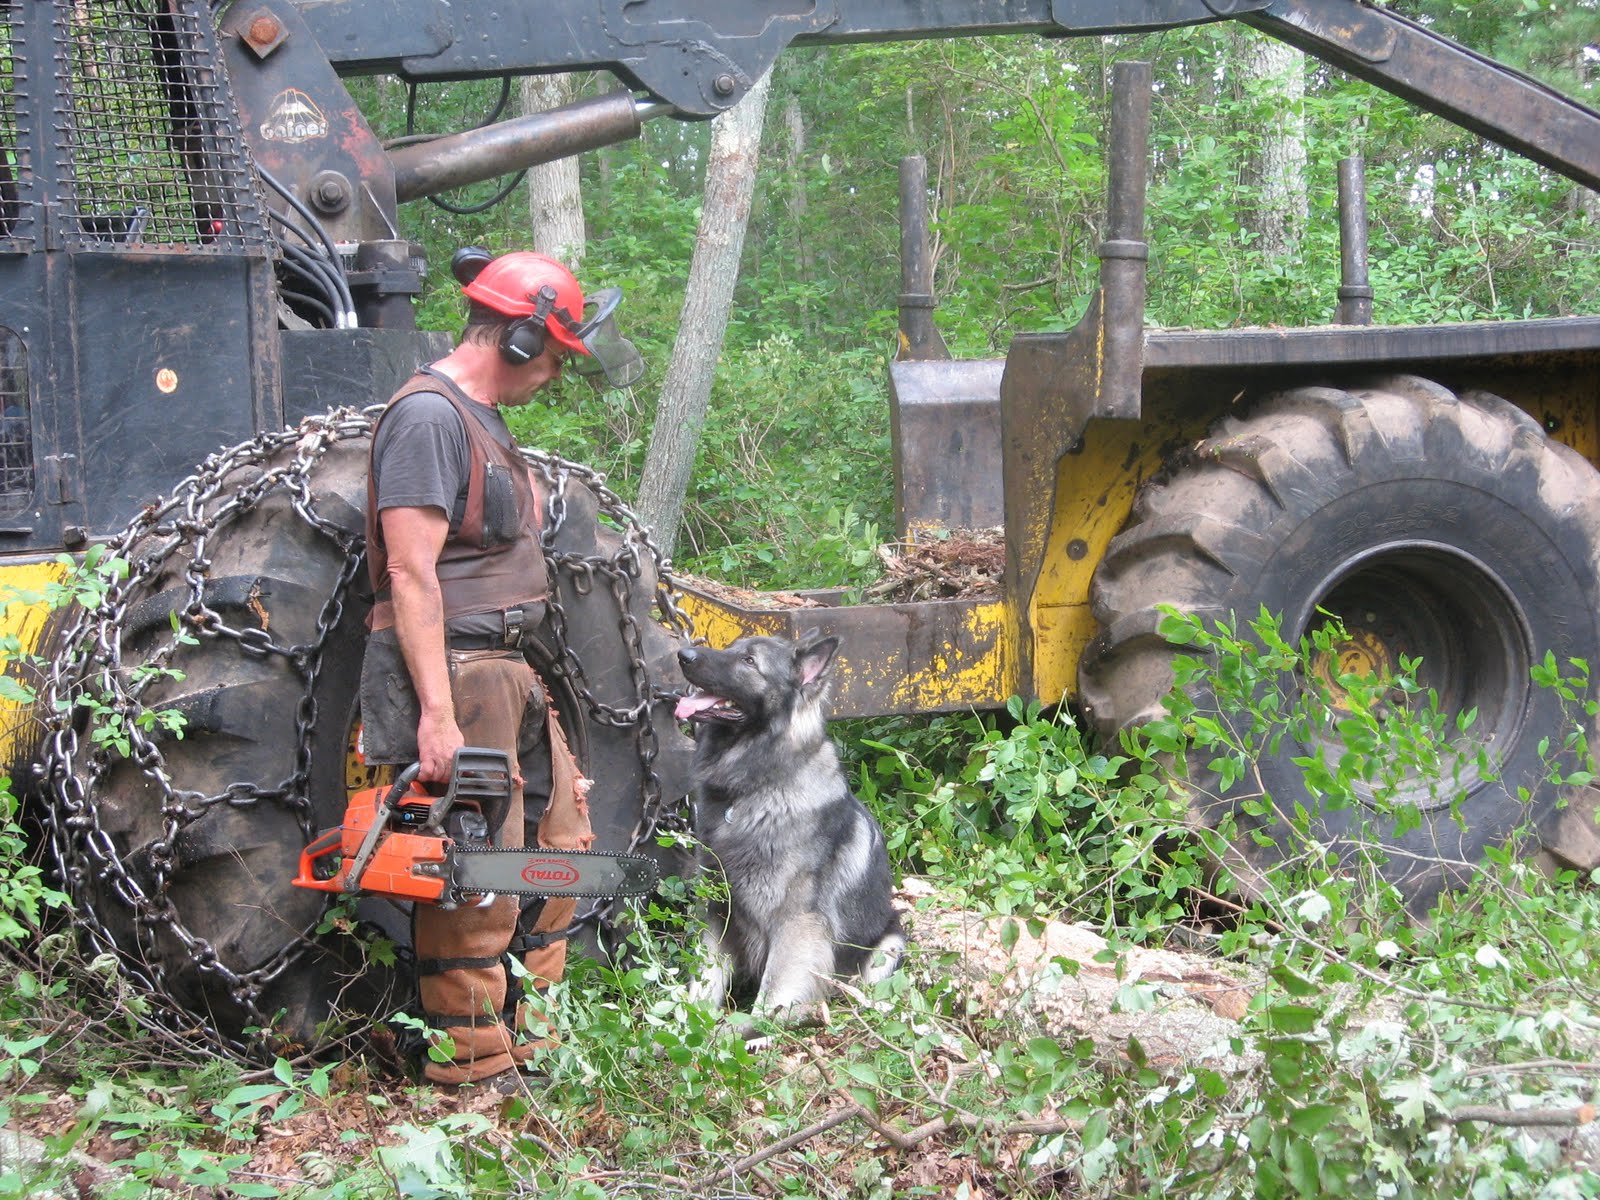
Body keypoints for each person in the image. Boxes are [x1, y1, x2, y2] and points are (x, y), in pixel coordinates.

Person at [359, 248, 641, 1087]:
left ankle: (536, 1044)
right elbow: (411, 574)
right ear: (519, 340)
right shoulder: (428, 419)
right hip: (459, 671)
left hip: (506, 670)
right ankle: (473, 1067)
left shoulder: (481, 418)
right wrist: (437, 716)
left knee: (558, 851)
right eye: (553, 356)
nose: (554, 374)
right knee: (476, 873)